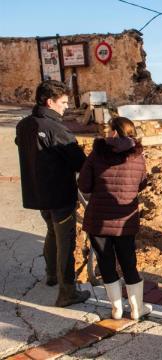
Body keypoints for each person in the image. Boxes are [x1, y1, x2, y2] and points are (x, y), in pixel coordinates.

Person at [15, 80, 90, 307]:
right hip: (59, 194)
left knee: (51, 233)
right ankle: (67, 292)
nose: (66, 106)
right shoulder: (56, 128)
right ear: (50, 102)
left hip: (37, 193)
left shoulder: (24, 125)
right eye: (63, 102)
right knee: (65, 240)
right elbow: (80, 163)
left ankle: (51, 275)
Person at [77, 117, 152, 320]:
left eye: (108, 129)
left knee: (106, 263)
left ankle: (117, 309)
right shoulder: (138, 156)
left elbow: (83, 185)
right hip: (124, 221)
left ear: (115, 132)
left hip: (98, 220)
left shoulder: (96, 154)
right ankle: (137, 309)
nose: (106, 133)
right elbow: (142, 183)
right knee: (129, 262)